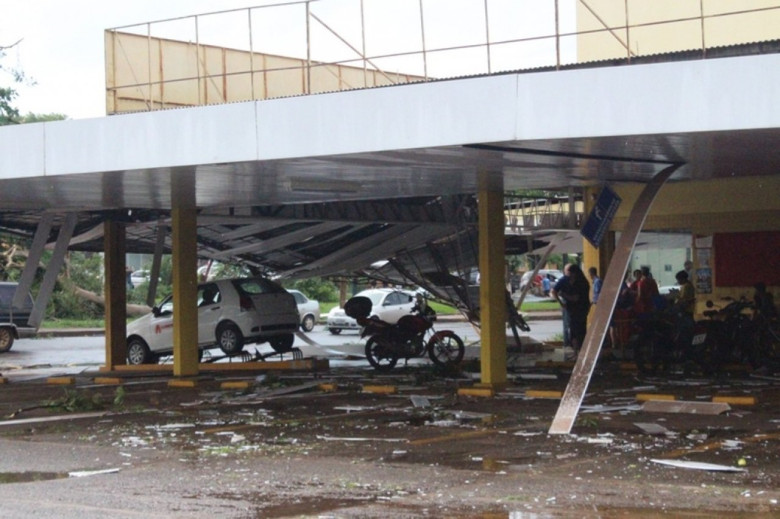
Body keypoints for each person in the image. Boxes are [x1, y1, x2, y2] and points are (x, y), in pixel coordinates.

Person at [551, 264, 573, 350]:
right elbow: (554, 291)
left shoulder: (567, 280)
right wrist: (561, 302)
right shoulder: (563, 280)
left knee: (569, 324)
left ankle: (569, 343)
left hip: (569, 304)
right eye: (569, 271)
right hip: (567, 304)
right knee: (568, 324)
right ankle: (567, 343)